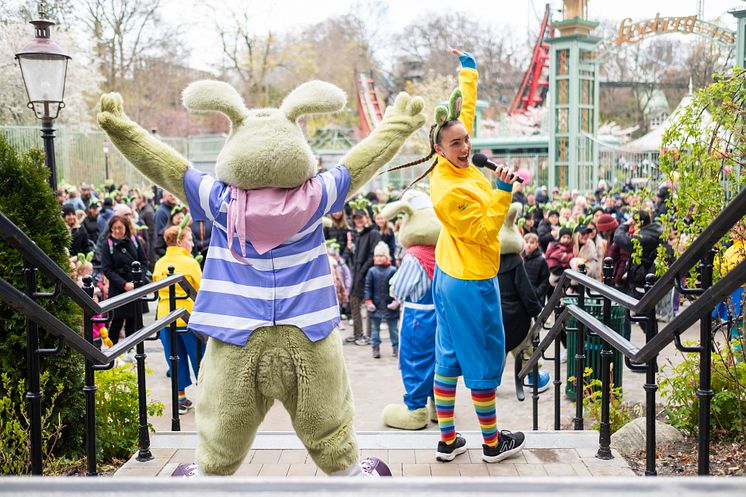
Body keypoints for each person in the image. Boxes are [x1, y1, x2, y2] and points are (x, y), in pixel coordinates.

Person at [413, 49, 525, 463]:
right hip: (470, 281)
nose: (465, 146)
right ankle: (493, 444)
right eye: (456, 143)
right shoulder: (446, 190)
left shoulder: (458, 160)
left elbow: (466, 114)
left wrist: (468, 72)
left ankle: (447, 440)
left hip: (448, 276)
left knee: (449, 356)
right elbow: (481, 230)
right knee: (480, 361)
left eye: (466, 140)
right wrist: (501, 191)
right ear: (440, 150)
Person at [152, 225, 204, 414]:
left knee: (175, 357)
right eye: (189, 239)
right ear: (180, 241)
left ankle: (180, 399)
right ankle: (206, 398)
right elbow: (201, 289)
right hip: (188, 316)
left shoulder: (160, 263)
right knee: (200, 358)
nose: (192, 243)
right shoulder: (190, 263)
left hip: (166, 316)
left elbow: (156, 287)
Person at [100, 214, 149, 348]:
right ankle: (112, 353)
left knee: (133, 321)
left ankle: (131, 351)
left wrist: (138, 280)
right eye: (114, 228)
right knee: (116, 321)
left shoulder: (134, 240)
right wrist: (124, 284)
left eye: (120, 228)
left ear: (126, 228)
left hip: (135, 286)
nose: (117, 231)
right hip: (118, 287)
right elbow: (107, 269)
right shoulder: (107, 245)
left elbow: (144, 262)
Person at [347, 209, 381, 345]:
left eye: (361, 218)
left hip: (368, 273)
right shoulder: (359, 234)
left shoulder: (373, 233)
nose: (358, 220)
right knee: (354, 301)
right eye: (356, 218)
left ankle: (369, 335)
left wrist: (362, 271)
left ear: (367, 218)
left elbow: (373, 255)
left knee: (368, 302)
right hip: (358, 272)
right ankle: (358, 334)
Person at [364, 242, 399, 359]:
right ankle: (375, 347)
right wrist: (368, 301)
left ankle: (396, 348)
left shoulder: (393, 270)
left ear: (387, 257)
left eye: (381, 255)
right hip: (376, 305)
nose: (378, 258)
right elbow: (368, 287)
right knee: (375, 329)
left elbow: (397, 287)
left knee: (394, 329)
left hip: (390, 305)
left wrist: (397, 301)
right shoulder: (371, 271)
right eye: (376, 256)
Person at [522, 232, 550, 304]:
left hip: (536, 299)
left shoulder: (541, 260)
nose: (528, 245)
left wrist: (536, 294)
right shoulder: (520, 259)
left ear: (537, 244)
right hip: (521, 298)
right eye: (526, 242)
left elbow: (545, 281)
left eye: (531, 242)